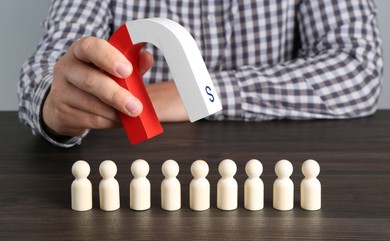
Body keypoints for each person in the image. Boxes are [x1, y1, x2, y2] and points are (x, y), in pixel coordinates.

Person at [18, 0, 383, 148]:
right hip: (136, 166)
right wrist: (53, 101)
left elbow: (358, 67)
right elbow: (54, 57)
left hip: (273, 162)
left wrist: (194, 92)